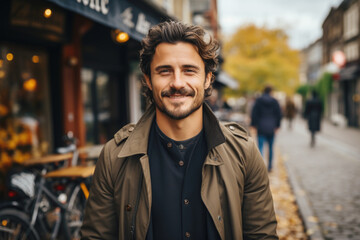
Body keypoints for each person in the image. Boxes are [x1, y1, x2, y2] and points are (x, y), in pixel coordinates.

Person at [81, 21, 278, 240]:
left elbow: (262, 236)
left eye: (189, 71)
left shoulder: (244, 153)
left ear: (207, 79)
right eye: (164, 71)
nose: (177, 82)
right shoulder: (114, 157)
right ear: (148, 80)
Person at [250, 86, 282, 172]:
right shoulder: (275, 101)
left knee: (260, 147)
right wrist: (277, 125)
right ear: (271, 91)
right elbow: (279, 114)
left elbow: (254, 113)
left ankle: (260, 167)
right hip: (271, 127)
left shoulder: (258, 100)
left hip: (261, 126)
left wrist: (253, 125)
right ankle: (270, 166)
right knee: (271, 148)